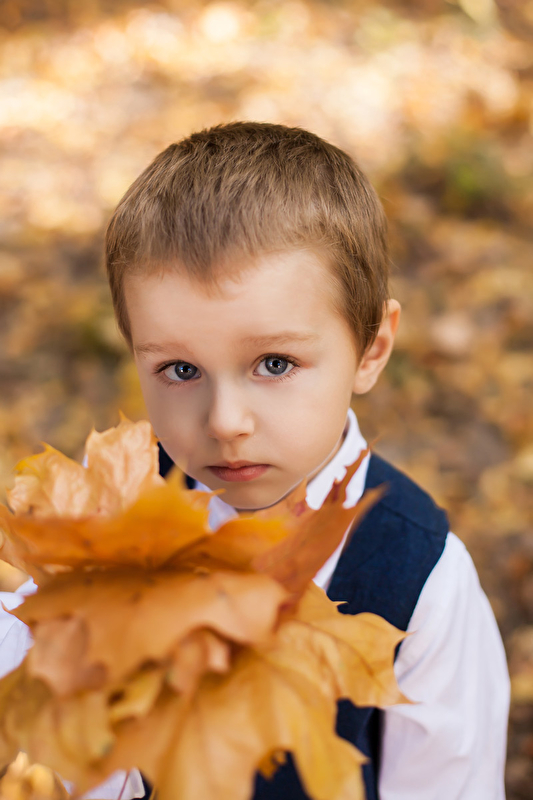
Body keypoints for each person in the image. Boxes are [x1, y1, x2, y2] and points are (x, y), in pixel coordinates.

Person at [1, 122, 509, 799]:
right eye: (181, 369)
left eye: (274, 364)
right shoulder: (109, 514)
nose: (223, 422)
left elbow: (448, 784)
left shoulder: (418, 578)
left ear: (371, 349)